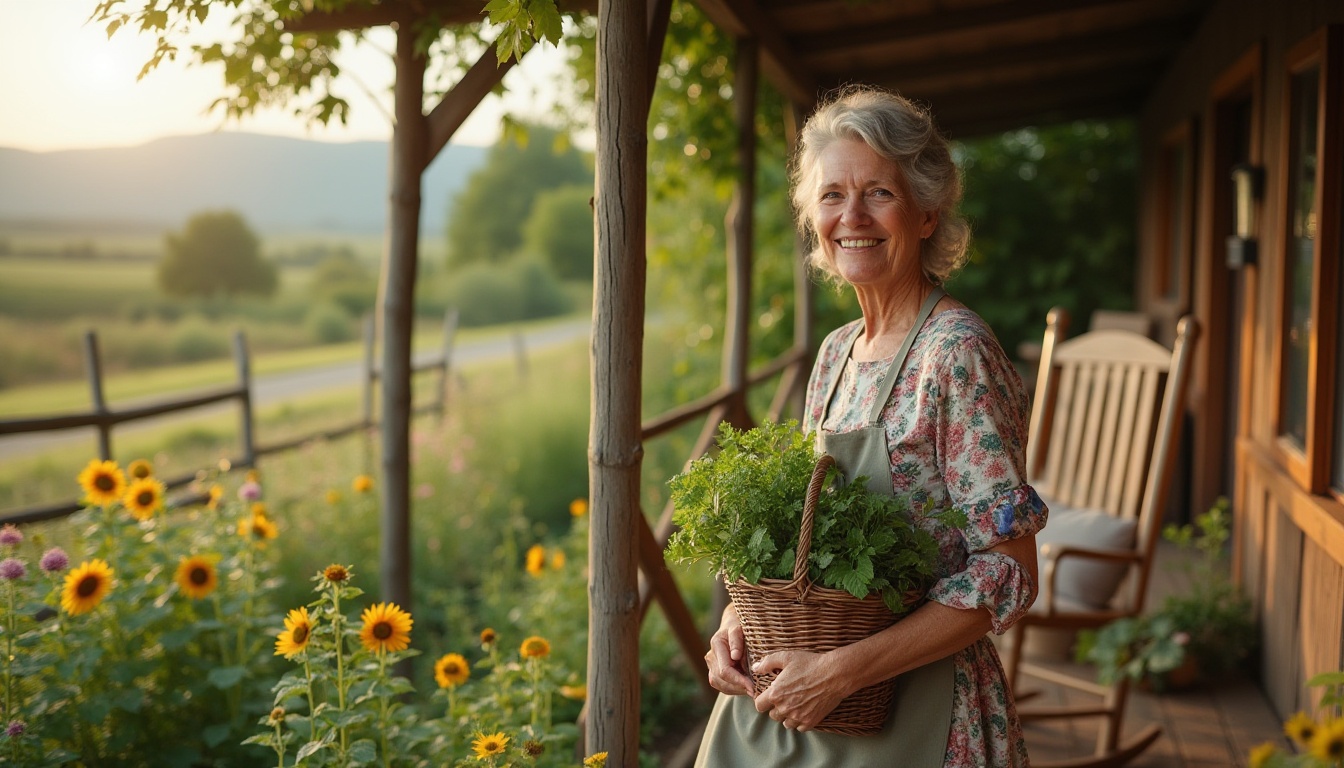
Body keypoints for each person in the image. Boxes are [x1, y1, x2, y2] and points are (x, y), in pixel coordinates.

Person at [696, 85, 1046, 767]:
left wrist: (844, 671)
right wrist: (739, 622)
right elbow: (797, 536)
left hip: (923, 712)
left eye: (878, 193)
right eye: (831, 195)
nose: (850, 215)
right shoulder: (834, 355)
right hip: (812, 702)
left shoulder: (956, 354)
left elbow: (1008, 569)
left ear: (925, 213)